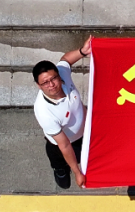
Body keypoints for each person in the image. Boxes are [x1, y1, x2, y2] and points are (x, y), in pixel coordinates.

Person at [32, 36, 92, 189]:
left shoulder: (63, 74)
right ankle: (60, 169)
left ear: (59, 75)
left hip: (86, 133)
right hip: (66, 143)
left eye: (53, 79)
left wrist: (82, 52)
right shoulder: (44, 112)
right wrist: (77, 172)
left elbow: (65, 59)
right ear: (38, 85)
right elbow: (64, 145)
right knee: (61, 159)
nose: (51, 85)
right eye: (45, 83)